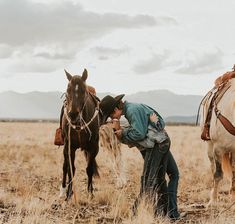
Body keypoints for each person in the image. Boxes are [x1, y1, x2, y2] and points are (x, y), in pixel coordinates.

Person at [99, 94, 182, 221]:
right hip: (162, 141)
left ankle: (136, 213)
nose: (111, 118)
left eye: (110, 115)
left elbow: (139, 133)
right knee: (168, 176)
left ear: (115, 110)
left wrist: (121, 133)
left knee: (148, 181)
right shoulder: (133, 108)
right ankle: (169, 213)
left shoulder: (132, 111)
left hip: (157, 145)